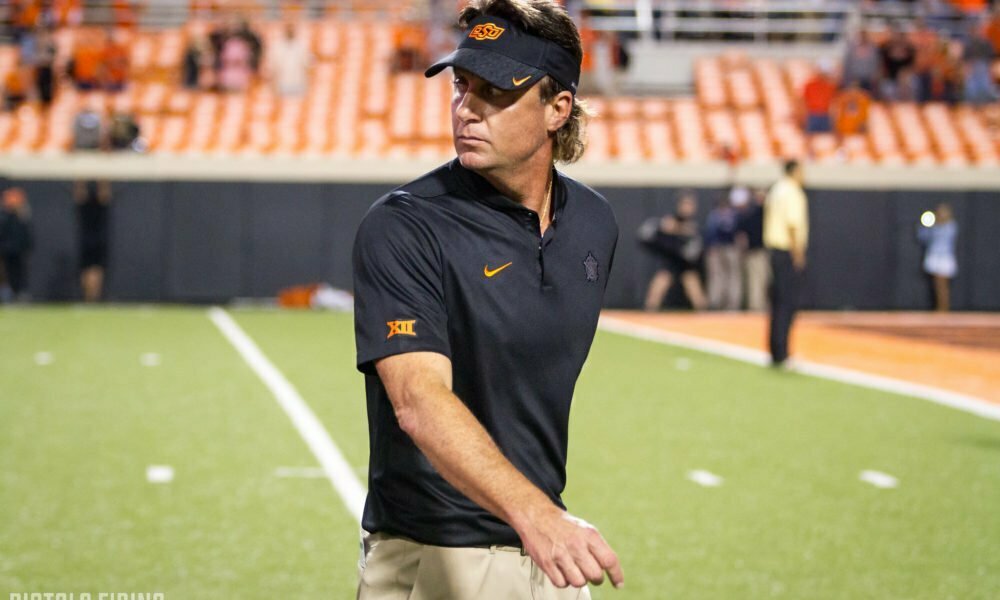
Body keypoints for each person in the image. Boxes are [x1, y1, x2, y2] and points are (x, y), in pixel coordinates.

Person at [351, 0, 624, 597]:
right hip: (436, 553)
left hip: (546, 551)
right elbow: (418, 400)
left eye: (495, 92)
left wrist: (540, 520)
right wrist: (535, 513)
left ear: (558, 109)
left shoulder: (593, 224)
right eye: (462, 86)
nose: (466, 108)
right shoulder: (404, 225)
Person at [764, 159, 808, 368]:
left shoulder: (776, 189)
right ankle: (782, 353)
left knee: (778, 302)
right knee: (787, 303)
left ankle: (775, 351)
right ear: (794, 171)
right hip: (786, 250)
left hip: (774, 251)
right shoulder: (792, 192)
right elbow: (792, 224)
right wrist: (797, 253)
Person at [639, 190, 707, 311]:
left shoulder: (694, 225)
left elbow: (696, 245)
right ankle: (650, 309)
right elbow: (648, 232)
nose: (688, 208)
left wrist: (682, 231)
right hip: (671, 258)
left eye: (690, 204)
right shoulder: (669, 221)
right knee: (661, 281)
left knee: (693, 285)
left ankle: (703, 312)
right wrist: (673, 228)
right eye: (685, 204)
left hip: (685, 262)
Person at [74, 180, 111, 302]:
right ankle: (89, 297)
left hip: (97, 238)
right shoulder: (84, 205)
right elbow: (79, 194)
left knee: (96, 269)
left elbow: (104, 195)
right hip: (88, 239)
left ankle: (94, 297)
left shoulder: (101, 204)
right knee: (88, 268)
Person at [703, 193, 741, 310]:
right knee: (718, 276)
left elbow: (739, 233)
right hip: (719, 248)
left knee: (731, 276)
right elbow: (710, 232)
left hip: (730, 248)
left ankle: (731, 303)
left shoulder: (731, 215)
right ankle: (716, 302)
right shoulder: (716, 215)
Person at [918, 203, 958, 312]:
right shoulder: (933, 227)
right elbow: (923, 238)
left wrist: (937, 224)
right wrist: (926, 225)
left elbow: (947, 235)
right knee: (937, 285)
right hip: (935, 256)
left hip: (945, 257)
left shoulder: (951, 226)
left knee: (942, 285)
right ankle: (940, 307)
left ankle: (943, 308)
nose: (942, 215)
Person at [734, 186, 768, 312]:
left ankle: (758, 304)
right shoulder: (753, 212)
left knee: (761, 279)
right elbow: (741, 235)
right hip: (754, 251)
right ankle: (756, 305)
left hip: (760, 251)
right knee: (755, 280)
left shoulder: (760, 212)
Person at [0, 187, 33, 303]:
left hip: (18, 251)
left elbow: (26, 235)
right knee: (6, 274)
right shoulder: (4, 217)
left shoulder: (22, 217)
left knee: (19, 273)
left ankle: (19, 294)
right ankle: (8, 294)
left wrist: (27, 247)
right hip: (7, 251)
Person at [268, 23, 311, 96]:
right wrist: (273, 85)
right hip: (281, 83)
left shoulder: (302, 45)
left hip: (299, 83)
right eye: (288, 29)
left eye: (292, 29)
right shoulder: (276, 46)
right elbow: (272, 67)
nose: (290, 31)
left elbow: (307, 64)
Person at [801, 61, 836, 134]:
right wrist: (804, 117)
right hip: (813, 115)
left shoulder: (830, 86)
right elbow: (803, 102)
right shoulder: (810, 85)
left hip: (825, 115)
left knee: (826, 137)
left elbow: (834, 101)